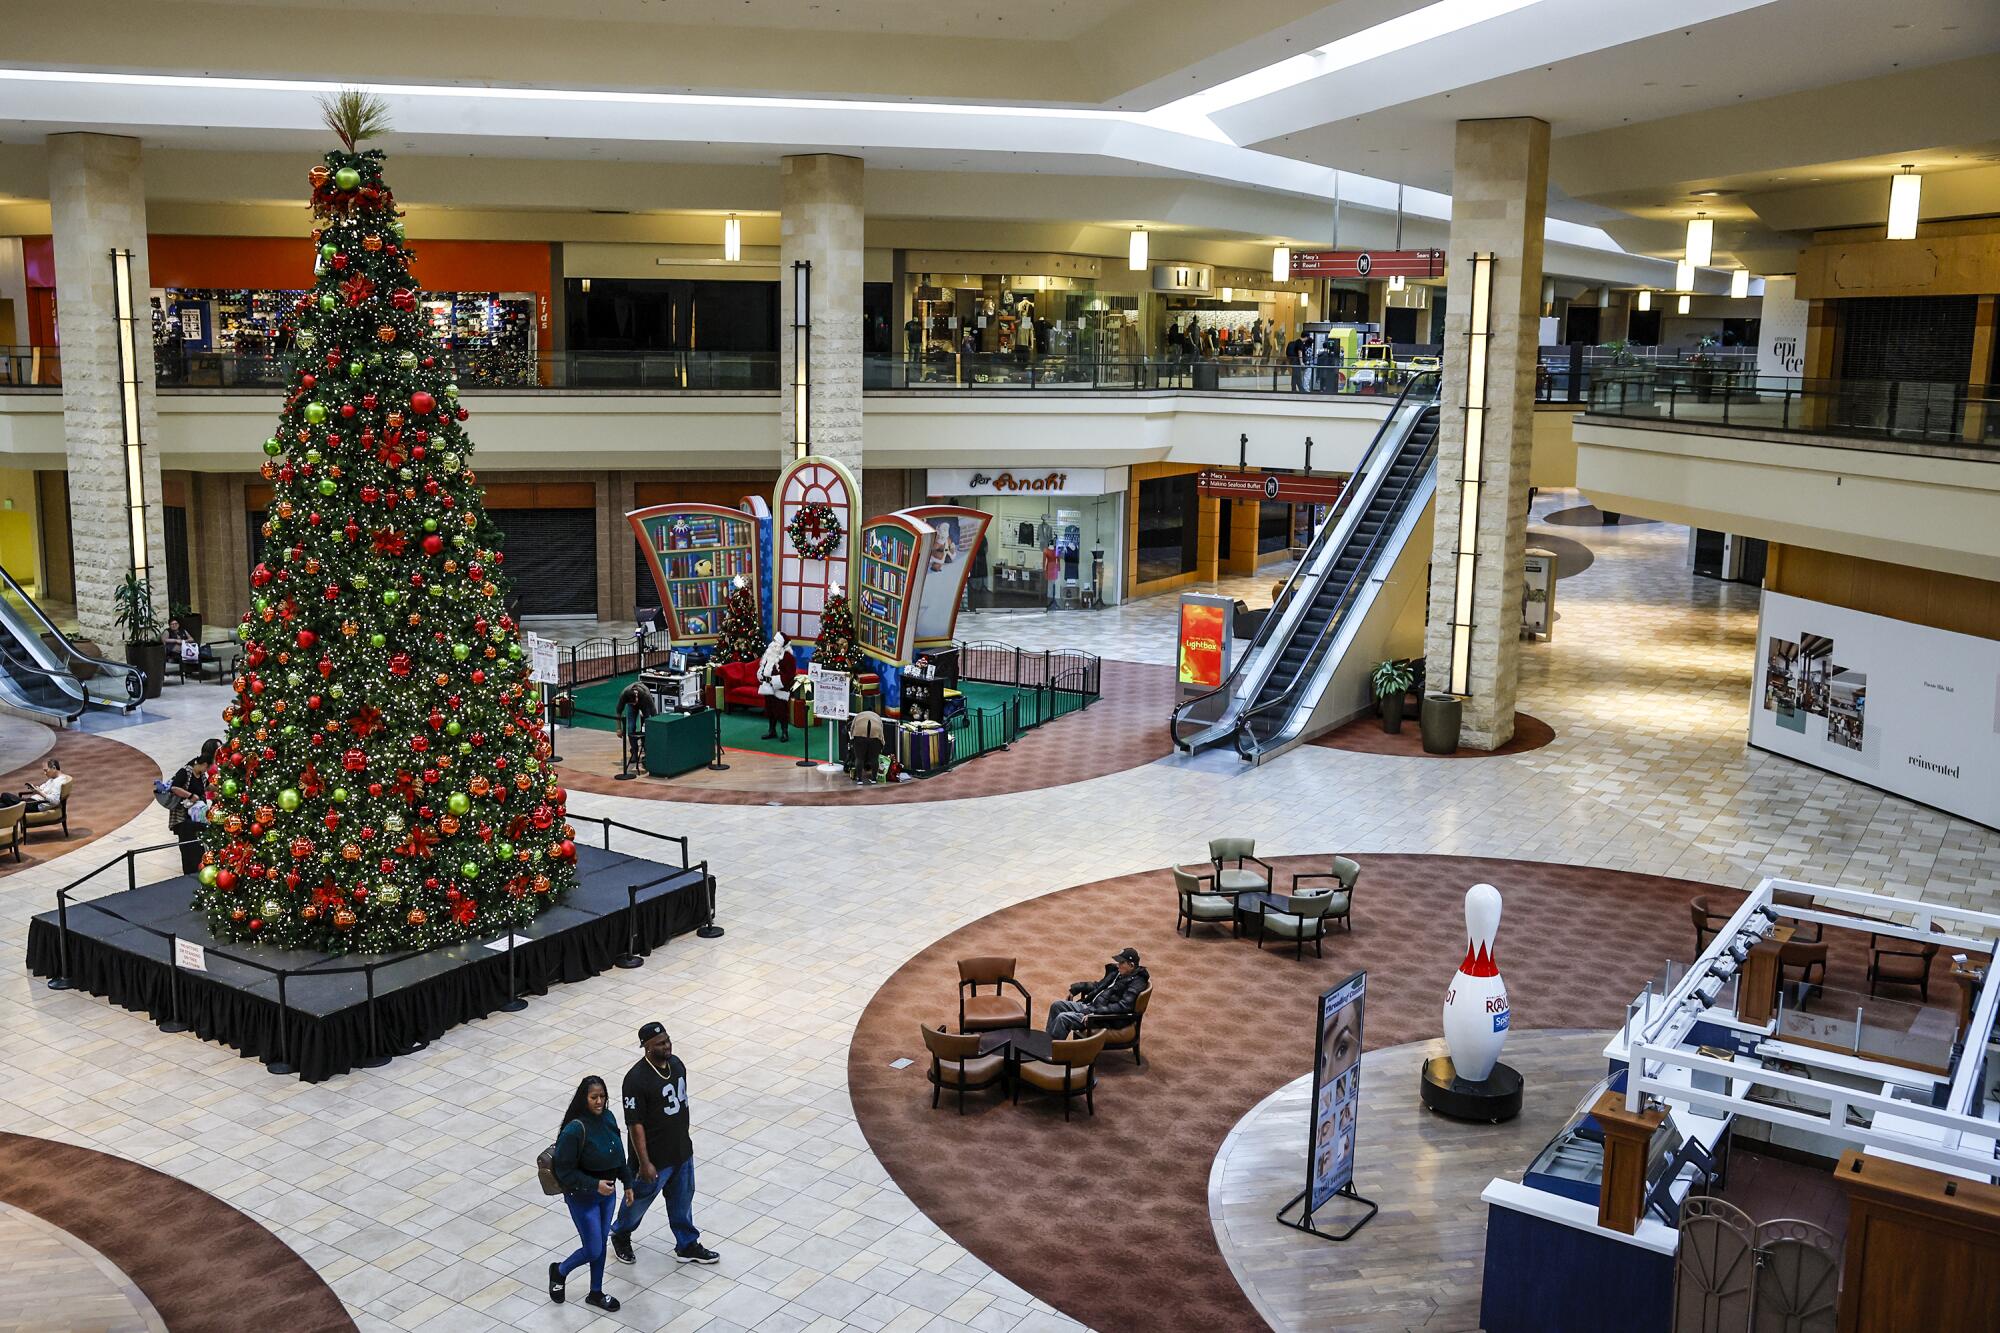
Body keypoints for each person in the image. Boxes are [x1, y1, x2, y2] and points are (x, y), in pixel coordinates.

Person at [609, 1023, 719, 1267]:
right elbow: (634, 1124)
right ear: (646, 1047)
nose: (666, 1045)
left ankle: (687, 1244)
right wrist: (645, 1163)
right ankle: (621, 1234)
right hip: (653, 1159)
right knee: (638, 1201)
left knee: (683, 1200)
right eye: (660, 1043)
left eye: (667, 1040)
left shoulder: (677, 1065)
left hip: (680, 1150)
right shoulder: (636, 1080)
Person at [547, 1074, 635, 1312]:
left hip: (607, 1195)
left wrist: (627, 1183)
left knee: (600, 1245)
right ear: (583, 1098)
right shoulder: (574, 1130)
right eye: (593, 1097)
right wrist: (594, 1185)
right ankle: (560, 1270)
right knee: (593, 1248)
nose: (599, 1101)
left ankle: (596, 1293)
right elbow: (564, 1171)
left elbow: (618, 1154)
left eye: (602, 1097)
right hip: (583, 1198)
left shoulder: (608, 1118)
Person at [1045, 947, 1149, 1040]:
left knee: (1063, 1018)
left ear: (1131, 965)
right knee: (1057, 1005)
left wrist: (1097, 1013)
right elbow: (1098, 986)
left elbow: (1123, 1006)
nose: (1118, 965)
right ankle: (1047, 1043)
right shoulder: (1119, 973)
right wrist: (1076, 988)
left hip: (1101, 1017)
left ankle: (1052, 1052)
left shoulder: (1137, 983)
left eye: (1121, 962)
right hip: (1091, 1007)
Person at [168, 740, 220, 875]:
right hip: (183, 819)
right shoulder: (185, 772)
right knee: (188, 849)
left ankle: (199, 870)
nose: (207, 771)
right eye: (207, 768)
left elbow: (207, 786)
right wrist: (191, 796)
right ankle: (190, 874)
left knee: (198, 848)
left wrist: (220, 790)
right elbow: (174, 787)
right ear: (203, 764)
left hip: (198, 817)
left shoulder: (201, 774)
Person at [755, 634, 795, 741]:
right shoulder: (769, 653)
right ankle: (772, 730)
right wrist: (761, 675)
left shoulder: (787, 657)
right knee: (770, 710)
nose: (773, 643)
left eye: (776, 641)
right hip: (767, 687)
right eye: (773, 641)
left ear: (781, 644)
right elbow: (763, 666)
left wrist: (776, 681)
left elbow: (790, 674)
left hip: (780, 688)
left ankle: (784, 732)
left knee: (781, 711)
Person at [847, 708, 885, 784]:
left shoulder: (858, 715)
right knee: (874, 758)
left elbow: (852, 727)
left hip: (859, 734)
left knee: (859, 758)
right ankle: (874, 779)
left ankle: (859, 779)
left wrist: (852, 739)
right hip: (875, 734)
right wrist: (882, 743)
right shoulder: (877, 716)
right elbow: (881, 730)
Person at [1042, 542, 1062, 611]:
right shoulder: (1046, 550)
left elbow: (1058, 560)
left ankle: (1053, 600)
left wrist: (1059, 569)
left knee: (1054, 584)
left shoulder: (1056, 550)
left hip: (1054, 567)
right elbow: (1044, 560)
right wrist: (1043, 569)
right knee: (1050, 585)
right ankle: (1050, 600)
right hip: (1050, 567)